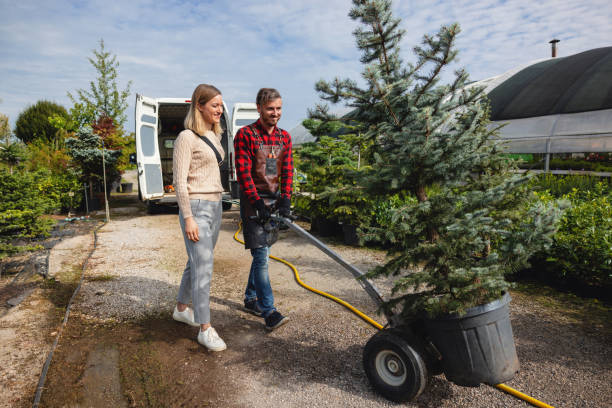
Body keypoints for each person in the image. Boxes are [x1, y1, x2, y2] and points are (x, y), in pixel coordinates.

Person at [171, 84, 226, 351]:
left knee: (196, 263)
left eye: (221, 105)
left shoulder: (214, 136)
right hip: (197, 207)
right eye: (214, 105)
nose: (220, 109)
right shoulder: (186, 137)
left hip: (216, 207)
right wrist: (189, 217)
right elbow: (180, 182)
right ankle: (205, 328)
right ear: (199, 106)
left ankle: (182, 309)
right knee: (203, 267)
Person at [234, 88, 293, 331]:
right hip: (253, 203)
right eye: (270, 109)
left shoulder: (284, 137)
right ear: (259, 108)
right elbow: (244, 173)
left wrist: (286, 199)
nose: (275, 113)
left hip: (274, 200)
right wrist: (257, 202)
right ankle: (269, 311)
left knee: (263, 252)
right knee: (262, 257)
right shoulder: (245, 135)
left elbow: (287, 170)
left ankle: (250, 299)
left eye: (278, 108)